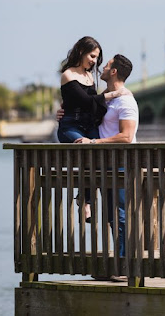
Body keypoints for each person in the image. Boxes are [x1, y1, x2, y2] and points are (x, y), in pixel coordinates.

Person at [59, 54, 138, 260]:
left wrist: (94, 143)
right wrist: (63, 112)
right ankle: (119, 262)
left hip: (121, 164)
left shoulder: (126, 101)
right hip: (106, 165)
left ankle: (124, 264)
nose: (101, 67)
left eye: (107, 65)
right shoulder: (107, 97)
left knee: (120, 215)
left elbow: (127, 137)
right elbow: (83, 107)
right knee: (112, 216)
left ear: (113, 72)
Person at [57, 37, 128, 222]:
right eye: (92, 56)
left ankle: (87, 196)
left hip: (88, 126)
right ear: (81, 51)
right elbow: (87, 101)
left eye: (97, 58)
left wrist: (111, 97)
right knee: (85, 149)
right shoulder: (68, 74)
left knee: (99, 154)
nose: (94, 61)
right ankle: (87, 201)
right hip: (71, 125)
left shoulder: (90, 76)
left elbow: (93, 105)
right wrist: (114, 93)